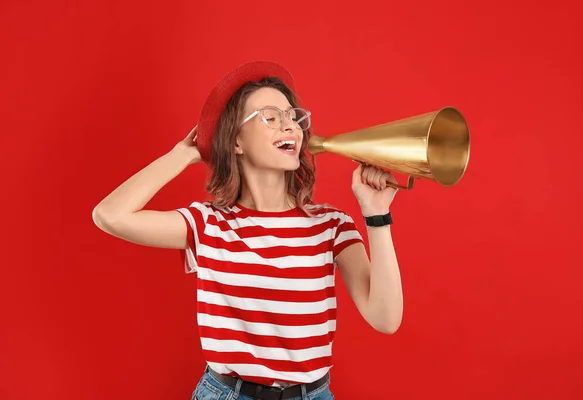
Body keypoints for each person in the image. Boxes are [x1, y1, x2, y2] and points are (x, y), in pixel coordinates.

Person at [92, 61, 404, 400]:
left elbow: (385, 319)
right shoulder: (209, 224)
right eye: (270, 117)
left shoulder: (331, 226)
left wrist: (376, 214)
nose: (289, 126)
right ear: (236, 141)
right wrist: (182, 155)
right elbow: (110, 215)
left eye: (292, 117)